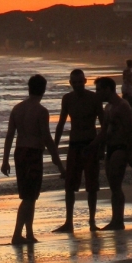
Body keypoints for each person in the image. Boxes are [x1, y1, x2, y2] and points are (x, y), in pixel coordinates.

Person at [1, 74, 65, 245]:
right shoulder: (41, 111)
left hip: (19, 152)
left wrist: (5, 160)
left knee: (30, 195)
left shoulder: (17, 108)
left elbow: (9, 136)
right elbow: (46, 138)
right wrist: (57, 161)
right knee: (29, 197)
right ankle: (16, 234)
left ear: (29, 88)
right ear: (43, 89)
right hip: (33, 154)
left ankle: (28, 233)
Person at [52, 69, 104, 233]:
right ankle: (68, 222)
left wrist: (100, 146)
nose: (77, 85)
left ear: (85, 81)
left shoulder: (94, 99)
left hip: (90, 144)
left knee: (92, 186)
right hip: (74, 144)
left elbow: (104, 125)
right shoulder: (67, 99)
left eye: (80, 82)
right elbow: (61, 123)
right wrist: (55, 145)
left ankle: (92, 222)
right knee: (69, 185)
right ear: (70, 83)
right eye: (74, 82)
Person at [91, 77, 132, 230]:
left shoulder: (122, 106)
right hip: (110, 148)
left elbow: (130, 130)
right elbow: (104, 131)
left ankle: (119, 220)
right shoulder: (108, 108)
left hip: (120, 147)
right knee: (112, 185)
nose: (97, 93)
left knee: (116, 185)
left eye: (99, 90)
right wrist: (98, 148)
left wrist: (129, 153)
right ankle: (115, 219)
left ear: (108, 89)